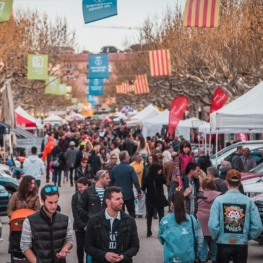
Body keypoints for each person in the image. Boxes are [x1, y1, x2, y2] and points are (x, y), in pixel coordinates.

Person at [208, 169, 263, 263]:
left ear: (226, 182)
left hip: (223, 242)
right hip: (241, 243)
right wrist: (247, 236)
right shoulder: (248, 201)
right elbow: (258, 226)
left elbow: (212, 225)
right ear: (240, 182)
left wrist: (216, 237)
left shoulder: (219, 200)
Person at [85, 186, 140, 263]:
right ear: (108, 201)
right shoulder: (94, 220)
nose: (122, 201)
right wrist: (104, 255)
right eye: (117, 199)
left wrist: (123, 256)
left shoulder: (129, 220)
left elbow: (135, 246)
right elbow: (88, 246)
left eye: (121, 198)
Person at [20, 185, 73, 263]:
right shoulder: (29, 221)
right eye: (50, 202)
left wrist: (64, 248)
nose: (54, 206)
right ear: (42, 200)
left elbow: (69, 240)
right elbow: (25, 246)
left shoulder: (66, 219)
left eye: (56, 202)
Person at [158, 191, 204, 263]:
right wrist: (195, 251)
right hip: (188, 258)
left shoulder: (165, 220)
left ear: (171, 203)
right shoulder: (192, 219)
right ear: (184, 202)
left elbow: (161, 240)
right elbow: (200, 239)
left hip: (170, 259)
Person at [110, 150, 141, 218]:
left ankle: (121, 226)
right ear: (125, 158)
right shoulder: (130, 168)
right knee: (131, 212)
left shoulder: (114, 169)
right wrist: (139, 191)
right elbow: (135, 181)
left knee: (120, 212)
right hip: (129, 193)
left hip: (118, 194)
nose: (129, 158)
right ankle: (131, 226)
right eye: (128, 157)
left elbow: (111, 182)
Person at [196, 178, 220, 263]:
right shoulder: (218, 195)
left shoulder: (199, 195)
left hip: (201, 219)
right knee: (214, 239)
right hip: (213, 218)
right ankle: (214, 257)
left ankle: (202, 258)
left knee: (203, 240)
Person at [142, 163, 168, 237]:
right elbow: (165, 181)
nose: (160, 171)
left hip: (150, 198)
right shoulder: (159, 177)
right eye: (160, 170)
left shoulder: (148, 177)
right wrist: (161, 174)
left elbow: (143, 187)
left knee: (149, 215)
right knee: (161, 216)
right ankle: (161, 231)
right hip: (159, 198)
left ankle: (148, 231)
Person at [71, 177, 91, 263]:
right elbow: (75, 213)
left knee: (90, 247)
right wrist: (83, 225)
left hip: (90, 225)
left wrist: (89, 224)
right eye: (78, 187)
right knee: (80, 247)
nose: (79, 189)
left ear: (87, 185)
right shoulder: (75, 196)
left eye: (81, 187)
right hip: (79, 227)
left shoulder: (92, 195)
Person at [130, 152, 145, 218]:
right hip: (134, 185)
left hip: (142, 184)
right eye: (139, 156)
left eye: (141, 156)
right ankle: (136, 212)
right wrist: (135, 173)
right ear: (135, 157)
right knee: (135, 199)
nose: (141, 157)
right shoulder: (131, 165)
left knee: (142, 199)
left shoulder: (143, 164)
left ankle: (140, 212)